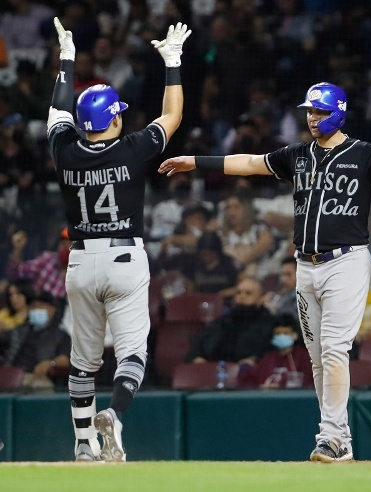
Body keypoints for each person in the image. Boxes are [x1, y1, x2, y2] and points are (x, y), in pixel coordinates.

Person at [158, 81, 371, 463]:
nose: (312, 118)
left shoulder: (363, 154)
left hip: (346, 261)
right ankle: (341, 438)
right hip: (305, 265)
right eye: (309, 112)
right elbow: (252, 163)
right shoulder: (299, 154)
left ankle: (329, 437)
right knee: (317, 356)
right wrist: (197, 162)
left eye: (319, 112)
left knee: (334, 349)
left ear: (339, 112)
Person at [47, 18, 190, 462]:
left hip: (79, 261)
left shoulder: (64, 149)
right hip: (125, 257)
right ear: (114, 117)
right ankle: (117, 415)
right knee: (132, 354)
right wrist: (173, 62)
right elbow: (173, 115)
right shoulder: (132, 148)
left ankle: (83, 443)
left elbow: (57, 112)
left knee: (83, 361)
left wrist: (67, 61)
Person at [184, 277, 275, 365]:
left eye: (248, 293)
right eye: (238, 293)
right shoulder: (222, 322)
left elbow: (270, 354)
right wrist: (196, 357)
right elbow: (198, 344)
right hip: (213, 372)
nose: (242, 296)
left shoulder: (270, 324)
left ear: (260, 299)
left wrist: (255, 360)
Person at [0, 290, 71, 391]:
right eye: (33, 307)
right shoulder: (19, 331)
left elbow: (65, 360)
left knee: (41, 387)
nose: (36, 309)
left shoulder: (60, 335)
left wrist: (50, 363)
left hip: (38, 376)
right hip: (14, 374)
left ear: (52, 310)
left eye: (41, 306)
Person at [237, 313, 313, 389]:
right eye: (277, 333)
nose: (281, 336)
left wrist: (281, 387)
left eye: (285, 333)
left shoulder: (304, 357)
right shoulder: (268, 358)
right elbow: (249, 380)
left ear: (295, 335)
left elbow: (309, 383)